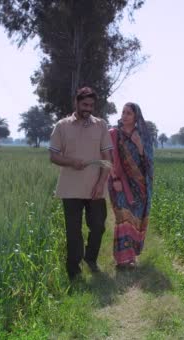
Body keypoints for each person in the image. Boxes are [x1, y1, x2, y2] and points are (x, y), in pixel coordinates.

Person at [49, 87, 113, 280]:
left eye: (91, 105)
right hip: (70, 188)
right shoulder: (62, 126)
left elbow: (107, 158)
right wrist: (71, 162)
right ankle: (74, 271)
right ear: (76, 103)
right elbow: (53, 156)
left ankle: (91, 259)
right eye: (85, 104)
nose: (88, 108)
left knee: (98, 226)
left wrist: (100, 184)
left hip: (95, 188)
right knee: (73, 231)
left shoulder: (101, 125)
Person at [108, 103, 154, 269]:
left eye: (129, 113)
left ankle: (131, 256)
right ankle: (122, 259)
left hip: (139, 185)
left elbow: (148, 163)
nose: (125, 115)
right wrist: (115, 180)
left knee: (135, 220)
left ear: (136, 117)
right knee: (123, 217)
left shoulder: (143, 135)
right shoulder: (114, 134)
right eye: (123, 112)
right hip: (120, 183)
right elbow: (109, 159)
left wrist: (140, 146)